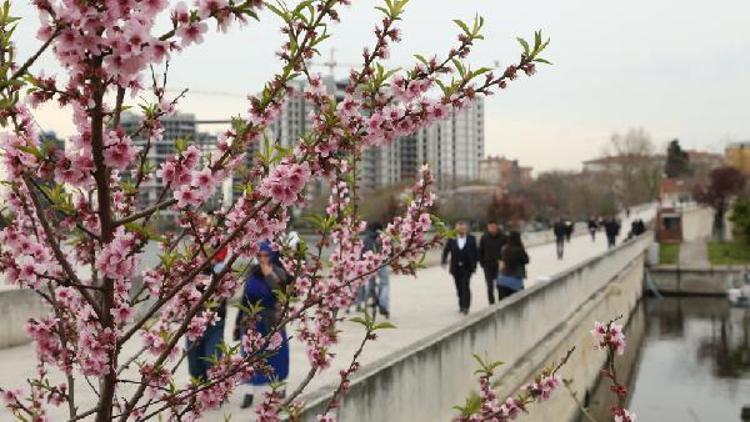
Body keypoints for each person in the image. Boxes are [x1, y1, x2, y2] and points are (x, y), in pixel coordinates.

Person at [235, 242, 290, 409]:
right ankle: (249, 392)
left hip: (273, 320)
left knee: (277, 356)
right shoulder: (251, 274)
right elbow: (244, 299)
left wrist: (269, 275)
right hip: (252, 320)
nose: (262, 259)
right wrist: (238, 323)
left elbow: (281, 296)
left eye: (266, 255)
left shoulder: (279, 273)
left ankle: (279, 386)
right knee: (250, 356)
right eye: (259, 255)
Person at [186, 243, 229, 382]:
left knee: (212, 361)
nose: (204, 257)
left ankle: (215, 391)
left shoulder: (220, 270)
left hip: (215, 323)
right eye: (201, 254)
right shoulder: (190, 271)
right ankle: (200, 394)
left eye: (207, 254)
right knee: (194, 366)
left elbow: (222, 289)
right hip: (193, 324)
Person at [442, 221, 478, 315]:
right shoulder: (452, 239)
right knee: (459, 287)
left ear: (466, 229)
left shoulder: (472, 239)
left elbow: (476, 253)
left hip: (467, 267)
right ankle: (461, 305)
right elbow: (446, 251)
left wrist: (475, 265)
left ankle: (466, 306)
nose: (461, 230)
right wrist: (444, 261)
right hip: (455, 267)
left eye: (463, 228)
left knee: (465, 286)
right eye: (459, 228)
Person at [356, 222, 390, 318]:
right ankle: (383, 304)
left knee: (370, 282)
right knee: (385, 283)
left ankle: (370, 297)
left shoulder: (366, 239)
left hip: (370, 266)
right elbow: (390, 251)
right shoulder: (384, 238)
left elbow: (362, 254)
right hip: (382, 263)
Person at [478, 221, 506, 305]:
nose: (492, 229)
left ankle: (501, 302)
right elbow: (480, 251)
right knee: (490, 286)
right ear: (488, 227)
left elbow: (507, 251)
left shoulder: (504, 237)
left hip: (500, 266)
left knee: (500, 285)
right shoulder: (484, 237)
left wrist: (504, 261)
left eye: (493, 227)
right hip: (487, 265)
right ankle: (491, 303)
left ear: (497, 227)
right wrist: (482, 262)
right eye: (490, 227)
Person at [497, 231, 529, 300]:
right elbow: (526, 260)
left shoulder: (504, 249)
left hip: (502, 280)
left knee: (503, 304)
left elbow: (501, 262)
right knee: (518, 304)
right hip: (516, 281)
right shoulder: (519, 249)